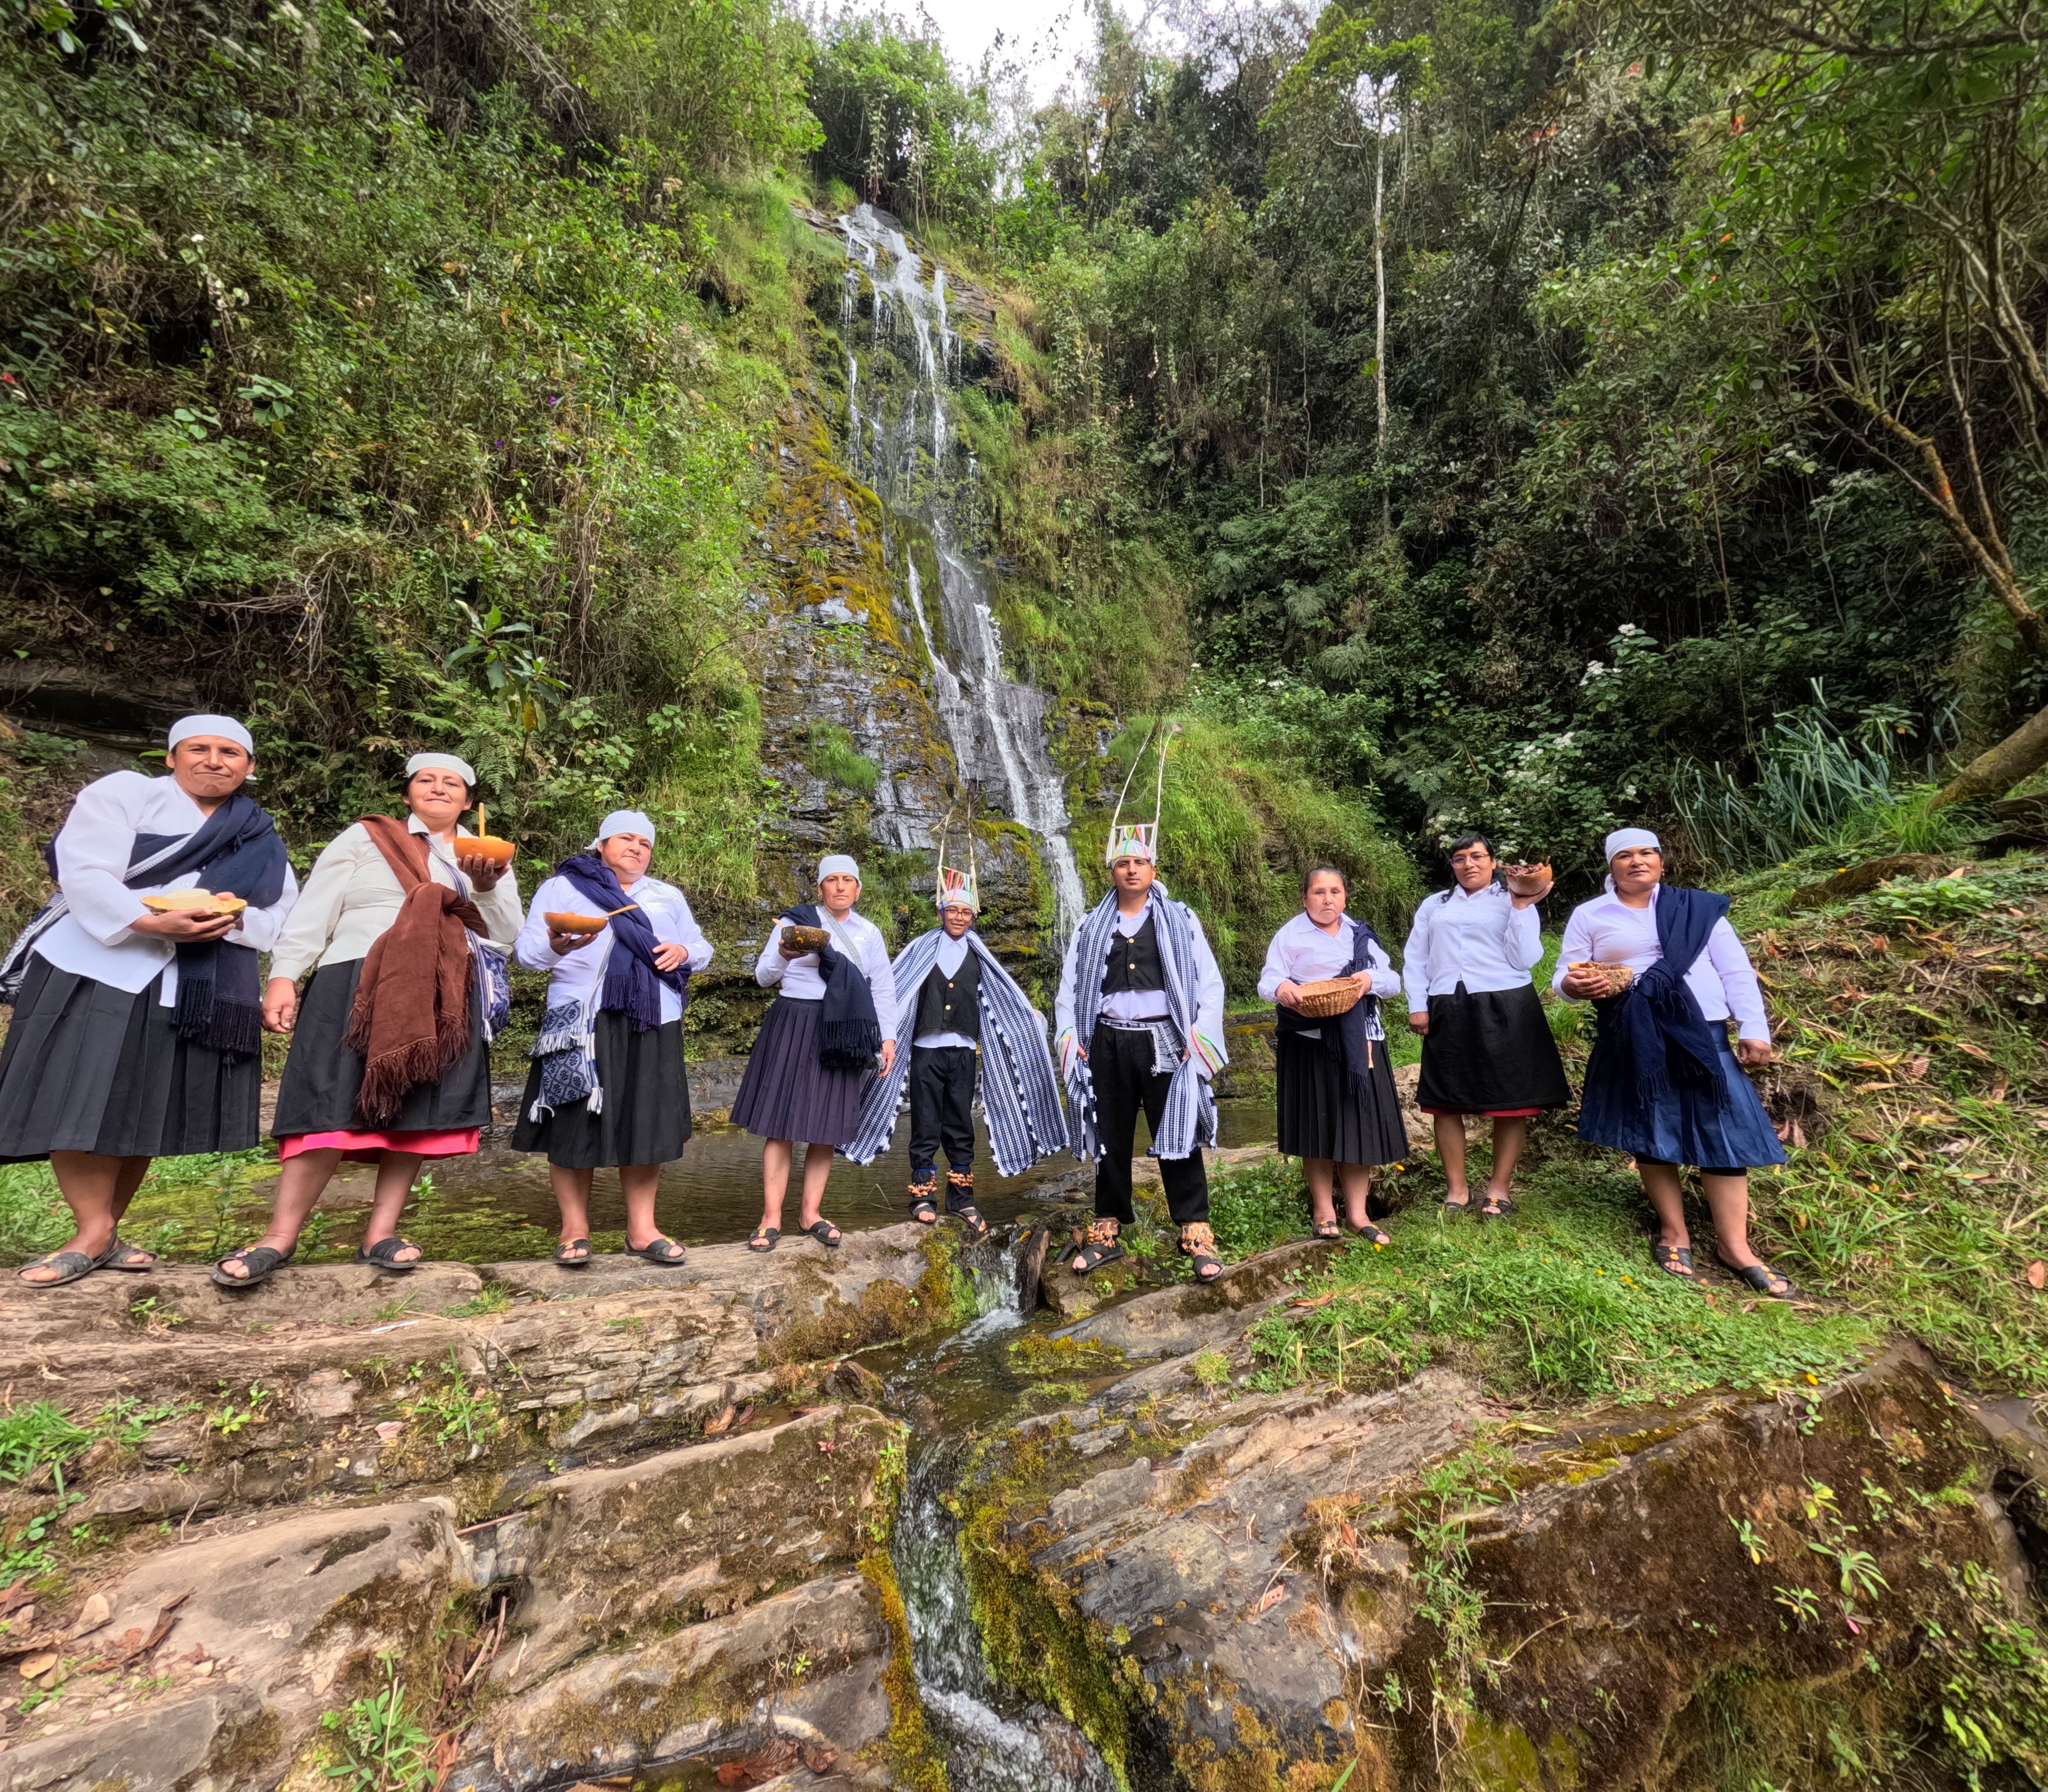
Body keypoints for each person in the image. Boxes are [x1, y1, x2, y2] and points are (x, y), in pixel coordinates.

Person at [0, 715, 297, 1287]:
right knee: (77, 1095)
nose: (215, 760)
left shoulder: (260, 835)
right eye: (199, 749)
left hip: (192, 984)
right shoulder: (124, 794)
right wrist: (149, 920)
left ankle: (107, 1229)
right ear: (171, 758)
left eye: (230, 752)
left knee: (141, 1104)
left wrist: (221, 921)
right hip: (96, 966)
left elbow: (281, 914)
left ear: (250, 767)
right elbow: (83, 871)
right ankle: (90, 1231)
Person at [216, 753, 522, 1287]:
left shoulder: (485, 853)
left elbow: (507, 934)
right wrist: (285, 974)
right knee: (328, 1099)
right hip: (354, 977)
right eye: (426, 780)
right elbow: (316, 909)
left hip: (443, 985)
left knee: (413, 1109)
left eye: (453, 783)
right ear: (408, 795)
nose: (439, 788)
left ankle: (381, 1233)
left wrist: (489, 886)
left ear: (469, 801)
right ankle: (279, 1236)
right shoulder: (365, 838)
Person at [1553, 828, 1794, 1297]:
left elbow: (1735, 969)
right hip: (1635, 1033)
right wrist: (1572, 988)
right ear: (1611, 866)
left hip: (1702, 1032)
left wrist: (1754, 1027)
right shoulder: (1591, 915)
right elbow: (1566, 974)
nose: (1637, 861)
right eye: (1625, 855)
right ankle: (1674, 1232)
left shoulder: (1696, 910)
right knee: (1654, 1129)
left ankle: (1735, 1247)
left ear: (1661, 861)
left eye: (1647, 853)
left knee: (1723, 1134)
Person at [512, 811, 712, 1269]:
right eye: (627, 838)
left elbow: (701, 948)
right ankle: (574, 1230)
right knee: (573, 1121)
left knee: (646, 1122)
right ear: (601, 844)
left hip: (654, 1017)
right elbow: (525, 955)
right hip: (579, 1019)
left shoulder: (666, 896)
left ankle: (642, 1231)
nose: (637, 848)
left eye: (646, 843)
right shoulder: (565, 887)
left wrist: (685, 952)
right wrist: (556, 946)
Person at [847, 860, 1066, 1235]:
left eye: (966, 912)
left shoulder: (981, 956)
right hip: (924, 1052)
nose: (960, 917)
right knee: (926, 1123)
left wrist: (1027, 1018)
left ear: (974, 916)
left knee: (961, 1124)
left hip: (963, 1053)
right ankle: (922, 1197)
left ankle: (961, 1198)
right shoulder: (920, 950)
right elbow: (894, 990)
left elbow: (1002, 997)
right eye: (954, 911)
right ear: (941, 913)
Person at [1055, 811, 1228, 1283]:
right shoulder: (1091, 926)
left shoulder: (1180, 919)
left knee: (1178, 1133)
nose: (1131, 870)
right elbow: (1070, 989)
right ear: (1111, 871)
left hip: (1168, 1040)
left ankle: (1195, 1230)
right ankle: (1107, 1228)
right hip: (1107, 1040)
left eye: (1140, 862)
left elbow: (1209, 983)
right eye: (1122, 863)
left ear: (1153, 869)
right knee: (1111, 1137)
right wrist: (1071, 1036)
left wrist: (1199, 1033)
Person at [734, 854, 897, 1252]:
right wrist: (784, 954)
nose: (840, 887)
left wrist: (887, 1039)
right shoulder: (796, 922)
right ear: (820, 888)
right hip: (795, 1021)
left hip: (843, 1027)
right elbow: (763, 977)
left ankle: (811, 1214)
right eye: (832, 880)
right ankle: (770, 1219)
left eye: (848, 880)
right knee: (782, 1123)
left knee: (826, 1126)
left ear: (858, 889)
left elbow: (882, 989)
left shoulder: (869, 933)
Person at [1403, 834, 1571, 1218]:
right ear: (1452, 866)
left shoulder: (1512, 898)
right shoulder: (1435, 905)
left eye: (1477, 856)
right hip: (1447, 1002)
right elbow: (1415, 957)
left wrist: (1522, 907)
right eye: (1459, 859)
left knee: (1510, 1102)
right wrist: (1418, 1004)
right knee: (1445, 1102)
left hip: (1507, 1003)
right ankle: (1457, 1190)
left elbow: (1526, 957)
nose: (1469, 864)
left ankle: (1499, 1189)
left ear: (1494, 862)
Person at [1257, 866, 1405, 1245]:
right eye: (1319, 892)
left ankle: (1358, 1215)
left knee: (1359, 1127)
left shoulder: (1361, 936)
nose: (1328, 900)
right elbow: (1268, 981)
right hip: (1309, 1040)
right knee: (1316, 1127)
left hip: (1362, 1043)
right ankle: (1324, 1211)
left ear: (1345, 897)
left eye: (1335, 892)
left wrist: (1370, 980)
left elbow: (1392, 982)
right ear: (1305, 898)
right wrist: (1284, 988)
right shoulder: (1290, 936)